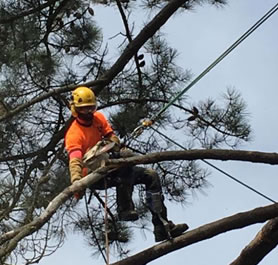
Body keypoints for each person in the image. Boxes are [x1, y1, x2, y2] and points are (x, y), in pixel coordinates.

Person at [64, 86, 188, 242]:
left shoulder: (98, 118)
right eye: (84, 109)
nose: (89, 112)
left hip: (111, 163)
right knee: (124, 167)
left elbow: (111, 136)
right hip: (94, 175)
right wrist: (77, 183)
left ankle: (161, 226)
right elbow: (75, 160)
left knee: (151, 176)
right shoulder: (74, 134)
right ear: (76, 109)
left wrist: (113, 145)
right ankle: (124, 209)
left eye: (91, 108)